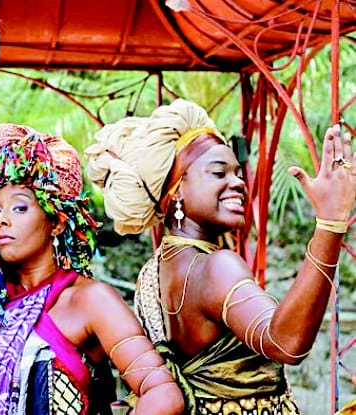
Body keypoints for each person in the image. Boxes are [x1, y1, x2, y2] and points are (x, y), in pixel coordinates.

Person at [0, 20, 185, 415]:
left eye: (20, 207)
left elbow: (162, 393)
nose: (2, 220)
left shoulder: (89, 300)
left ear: (56, 221)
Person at [84, 99, 356, 414]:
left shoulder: (154, 272)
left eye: (237, 173)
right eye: (218, 172)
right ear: (177, 190)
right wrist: (330, 224)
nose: (237, 182)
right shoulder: (216, 266)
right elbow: (286, 343)